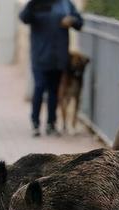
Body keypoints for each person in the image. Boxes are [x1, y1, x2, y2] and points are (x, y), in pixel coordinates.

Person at [19, 0, 83, 137]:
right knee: (39, 87)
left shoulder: (65, 4)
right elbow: (24, 18)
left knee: (54, 91)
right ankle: (35, 123)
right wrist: (31, 5)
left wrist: (71, 20)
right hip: (39, 56)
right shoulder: (36, 4)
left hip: (58, 57)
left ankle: (51, 124)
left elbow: (80, 23)